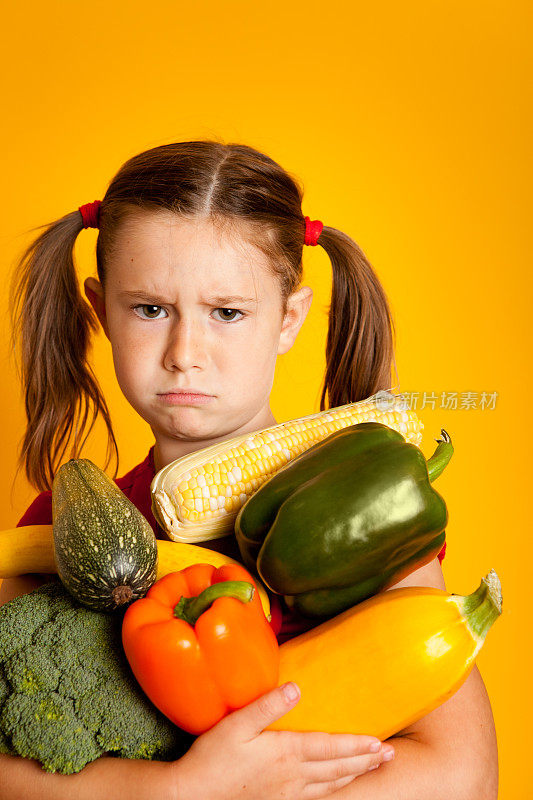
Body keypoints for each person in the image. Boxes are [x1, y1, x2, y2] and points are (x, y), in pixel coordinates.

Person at [0, 140, 497, 799]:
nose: (185, 353)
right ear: (100, 311)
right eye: (150, 309)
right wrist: (171, 792)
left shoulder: (362, 507)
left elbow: (462, 776)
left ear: (289, 318)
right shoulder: (62, 526)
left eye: (227, 313)